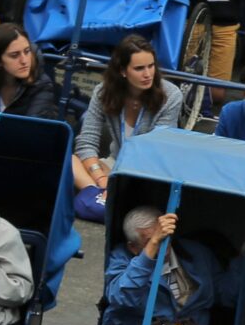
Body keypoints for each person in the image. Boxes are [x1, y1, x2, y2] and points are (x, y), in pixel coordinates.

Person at [71, 35, 183, 223]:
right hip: (113, 165)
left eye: (151, 66)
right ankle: (98, 193)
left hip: (147, 171)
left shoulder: (171, 96)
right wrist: (101, 179)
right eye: (139, 68)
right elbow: (86, 141)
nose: (148, 74)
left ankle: (99, 199)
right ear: (123, 71)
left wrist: (118, 182)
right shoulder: (103, 91)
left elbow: (157, 152)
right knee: (69, 161)